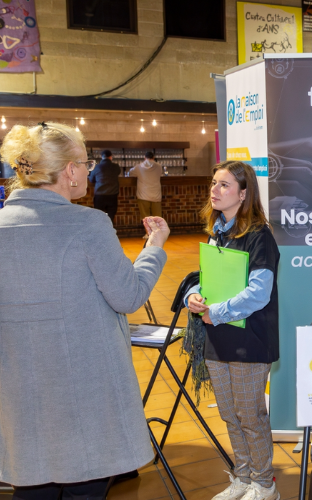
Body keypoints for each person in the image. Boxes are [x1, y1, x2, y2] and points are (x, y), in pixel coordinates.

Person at [0, 122, 170, 499]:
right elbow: (128, 296)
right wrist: (154, 248)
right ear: (69, 171)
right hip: (83, 391)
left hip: (19, 394)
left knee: (31, 489)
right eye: (85, 161)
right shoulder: (88, 224)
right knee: (86, 487)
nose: (89, 169)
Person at [184, 161, 281, 500]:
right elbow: (203, 279)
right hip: (218, 337)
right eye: (214, 183)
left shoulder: (259, 237)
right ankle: (242, 478)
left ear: (243, 194)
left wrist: (217, 312)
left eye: (224, 185)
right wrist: (192, 296)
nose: (214, 190)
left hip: (249, 340)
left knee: (250, 415)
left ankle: (264, 484)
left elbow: (259, 292)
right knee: (229, 414)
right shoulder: (217, 233)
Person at [129, 151, 163, 231]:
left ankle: (148, 233)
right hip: (156, 195)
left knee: (145, 217)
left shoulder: (138, 167)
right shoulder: (159, 166)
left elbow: (130, 173)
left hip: (143, 195)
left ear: (145, 158)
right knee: (157, 217)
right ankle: (157, 233)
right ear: (153, 158)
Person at [88, 149, 122, 222]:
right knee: (111, 215)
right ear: (110, 157)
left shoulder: (96, 167)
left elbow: (91, 180)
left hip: (100, 195)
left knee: (99, 215)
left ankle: (100, 231)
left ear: (102, 157)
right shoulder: (116, 167)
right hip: (112, 195)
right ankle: (109, 231)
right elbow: (118, 173)